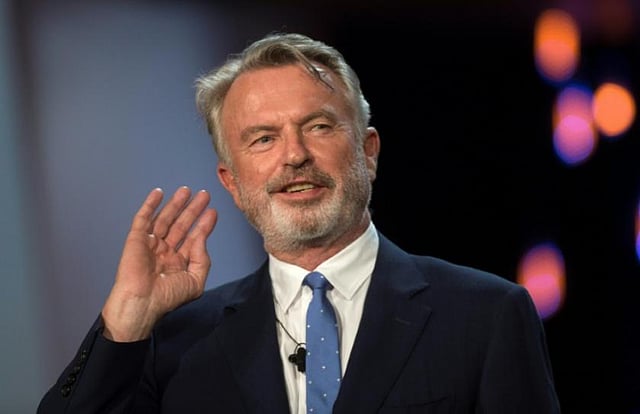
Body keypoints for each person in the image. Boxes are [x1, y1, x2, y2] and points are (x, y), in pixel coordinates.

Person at [37, 32, 561, 413]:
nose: (294, 155)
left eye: (318, 126)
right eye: (263, 138)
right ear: (231, 181)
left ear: (368, 151)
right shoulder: (176, 342)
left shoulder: (486, 316)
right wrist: (126, 320)